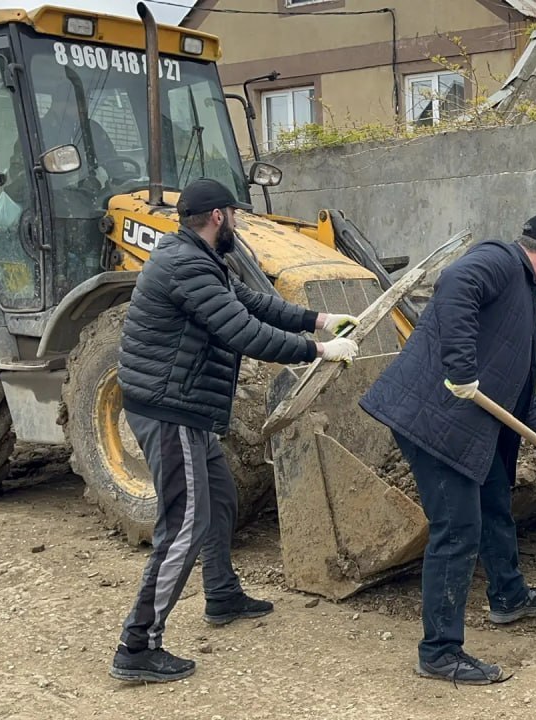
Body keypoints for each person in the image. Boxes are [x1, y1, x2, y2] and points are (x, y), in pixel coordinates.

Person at [109, 178, 360, 683]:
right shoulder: (185, 266)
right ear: (219, 216)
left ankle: (221, 594)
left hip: (187, 408)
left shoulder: (201, 260)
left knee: (220, 499)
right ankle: (137, 646)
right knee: (184, 524)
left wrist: (321, 319)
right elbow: (242, 331)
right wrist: (317, 352)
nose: (241, 223)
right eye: (236, 215)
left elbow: (257, 305)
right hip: (169, 411)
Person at [359, 213, 536, 684]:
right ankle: (439, 652)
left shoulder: (523, 298)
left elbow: (520, 393)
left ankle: (509, 596)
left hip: (465, 426)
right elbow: (455, 284)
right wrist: (462, 371)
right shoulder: (500, 259)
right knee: (457, 528)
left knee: (494, 500)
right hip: (435, 421)